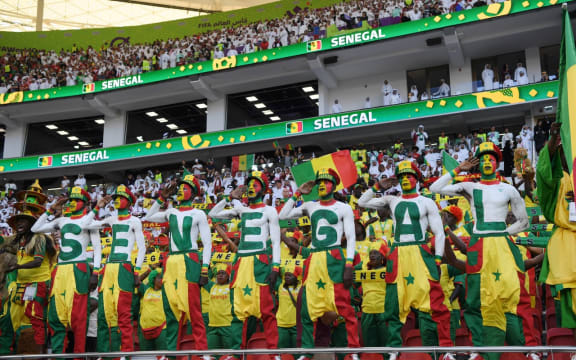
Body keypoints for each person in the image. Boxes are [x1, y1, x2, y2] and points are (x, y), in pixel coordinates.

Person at [430, 142, 536, 360]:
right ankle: (481, 349)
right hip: (479, 244)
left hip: (501, 244)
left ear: (497, 163)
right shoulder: (471, 187)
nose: (487, 161)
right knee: (476, 297)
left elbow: (524, 222)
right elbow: (434, 189)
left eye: (491, 158)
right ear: (478, 164)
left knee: (513, 294)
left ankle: (525, 349)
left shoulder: (508, 189)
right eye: (483, 158)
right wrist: (459, 168)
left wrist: (504, 234)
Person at [358, 162, 454, 360]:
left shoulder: (426, 202)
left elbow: (438, 232)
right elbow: (362, 202)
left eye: (409, 176)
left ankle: (440, 351)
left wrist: (436, 258)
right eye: (401, 176)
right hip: (399, 253)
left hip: (420, 251)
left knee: (431, 305)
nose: (405, 179)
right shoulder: (393, 200)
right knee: (394, 302)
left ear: (417, 179)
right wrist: (378, 186)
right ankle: (393, 350)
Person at [279, 168, 360, 358]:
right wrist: (298, 192)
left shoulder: (343, 207)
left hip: (334, 256)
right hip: (314, 257)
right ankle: (307, 351)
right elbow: (283, 215)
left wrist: (349, 264)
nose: (322, 184)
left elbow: (350, 236)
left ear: (334, 185)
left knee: (344, 306)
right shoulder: (311, 205)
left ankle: (353, 350)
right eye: (320, 182)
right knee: (307, 307)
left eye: (326, 181)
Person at [209, 171, 281, 351]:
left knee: (266, 311)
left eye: (255, 185)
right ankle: (236, 353)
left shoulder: (269, 210)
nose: (250, 188)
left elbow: (276, 240)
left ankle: (274, 353)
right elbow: (213, 213)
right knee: (238, 311)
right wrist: (228, 197)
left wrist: (275, 268)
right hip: (241, 262)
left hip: (260, 261)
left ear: (263, 189)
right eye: (249, 185)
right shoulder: (241, 210)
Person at [30, 187, 104, 356]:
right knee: (55, 316)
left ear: (85, 203)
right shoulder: (61, 220)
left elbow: (98, 248)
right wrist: (51, 209)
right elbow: (35, 228)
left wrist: (96, 273)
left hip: (78, 268)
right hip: (61, 270)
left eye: (76, 200)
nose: (71, 203)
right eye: (70, 200)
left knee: (78, 318)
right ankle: (58, 355)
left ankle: (78, 355)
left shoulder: (89, 220)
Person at [144, 173, 212, 352]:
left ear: (194, 192)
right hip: (172, 261)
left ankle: (202, 352)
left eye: (186, 187)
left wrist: (204, 270)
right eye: (180, 187)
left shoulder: (199, 213)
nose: (181, 189)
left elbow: (207, 243)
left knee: (194, 310)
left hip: (189, 259)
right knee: (171, 310)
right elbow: (148, 217)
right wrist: (162, 197)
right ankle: (171, 354)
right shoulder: (170, 211)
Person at [86, 185, 146, 353]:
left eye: (120, 197)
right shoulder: (111, 219)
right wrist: (98, 206)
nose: (117, 199)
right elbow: (88, 224)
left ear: (128, 201)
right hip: (109, 267)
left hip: (124, 266)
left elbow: (142, 248)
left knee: (123, 315)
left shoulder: (135, 220)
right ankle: (105, 353)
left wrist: (137, 272)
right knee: (104, 314)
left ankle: (125, 354)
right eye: (116, 197)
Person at [4, 181, 56, 354]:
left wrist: (16, 266)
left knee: (35, 321)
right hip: (19, 286)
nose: (18, 223)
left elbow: (38, 261)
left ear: (32, 223)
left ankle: (35, 356)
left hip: (38, 284)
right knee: (15, 320)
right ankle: (18, 354)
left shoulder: (40, 238)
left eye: (23, 220)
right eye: (18, 219)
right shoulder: (17, 240)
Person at [536, 121, 576, 344]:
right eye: (562, 151)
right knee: (572, 310)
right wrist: (553, 140)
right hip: (566, 247)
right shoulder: (557, 181)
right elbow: (544, 171)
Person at [138, 269, 167, 352]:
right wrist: (149, 270)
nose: (162, 279)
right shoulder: (146, 289)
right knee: (146, 356)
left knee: (162, 355)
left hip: (161, 329)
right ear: (153, 279)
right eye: (159, 277)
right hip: (145, 329)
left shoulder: (166, 291)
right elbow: (136, 281)